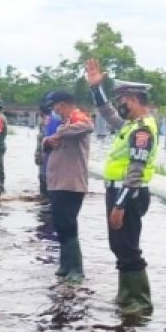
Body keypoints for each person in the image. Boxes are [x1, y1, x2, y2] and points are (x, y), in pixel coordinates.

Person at [84, 59, 159, 315]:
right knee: (119, 245)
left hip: (128, 193)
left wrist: (119, 205)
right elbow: (106, 112)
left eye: (123, 101)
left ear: (136, 100)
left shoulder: (143, 131)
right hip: (117, 191)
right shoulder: (130, 126)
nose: (120, 106)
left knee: (127, 246)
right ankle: (126, 295)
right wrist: (96, 88)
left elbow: (136, 172)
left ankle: (139, 301)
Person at [43, 91, 93, 283]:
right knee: (60, 224)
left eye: (55, 105)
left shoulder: (77, 118)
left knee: (68, 224)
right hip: (56, 183)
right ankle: (65, 265)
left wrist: (60, 133)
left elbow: (87, 126)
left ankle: (76, 269)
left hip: (71, 184)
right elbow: (47, 142)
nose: (54, 109)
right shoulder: (63, 122)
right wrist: (48, 140)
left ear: (63, 105)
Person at [34, 98, 61, 200]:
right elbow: (40, 141)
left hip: (50, 161)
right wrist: (37, 155)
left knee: (48, 188)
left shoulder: (53, 120)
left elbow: (52, 141)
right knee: (43, 182)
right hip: (43, 159)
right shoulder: (44, 121)